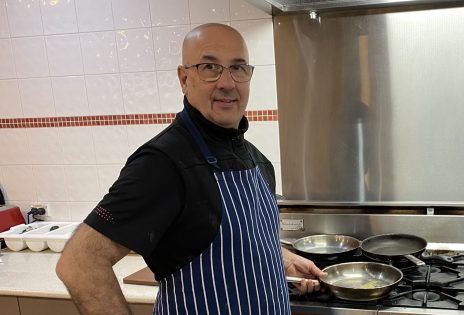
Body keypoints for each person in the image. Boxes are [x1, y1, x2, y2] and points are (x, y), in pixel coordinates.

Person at [56, 23, 325, 315]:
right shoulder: (163, 163)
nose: (227, 83)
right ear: (184, 78)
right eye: (210, 67)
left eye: (237, 68)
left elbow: (231, 243)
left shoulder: (257, 161)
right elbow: (79, 263)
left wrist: (281, 259)